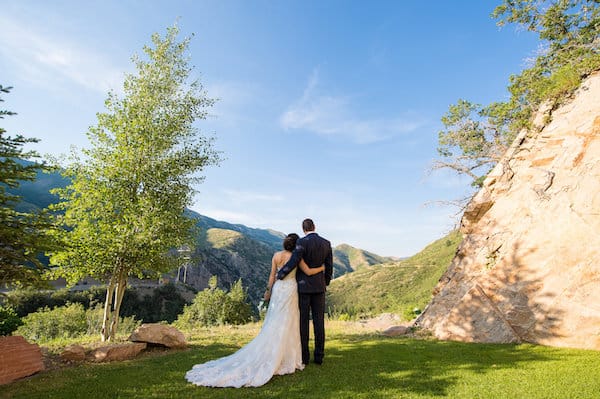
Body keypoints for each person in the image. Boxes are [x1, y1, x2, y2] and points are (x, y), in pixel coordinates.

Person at [185, 233, 324, 388]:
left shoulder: (276, 256)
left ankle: (274, 351)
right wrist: (322, 267)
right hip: (291, 290)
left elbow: (272, 276)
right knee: (289, 321)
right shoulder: (297, 258)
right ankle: (288, 356)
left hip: (278, 290)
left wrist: (268, 291)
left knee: (275, 320)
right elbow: (309, 272)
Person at [276, 218, 333, 365]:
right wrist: (325, 282)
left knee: (303, 322)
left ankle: (305, 357)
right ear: (314, 226)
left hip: (304, 287)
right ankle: (319, 357)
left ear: (303, 229)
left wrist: (281, 274)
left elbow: (294, 260)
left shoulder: (301, 242)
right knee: (319, 322)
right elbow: (329, 266)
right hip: (319, 287)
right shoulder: (326, 243)